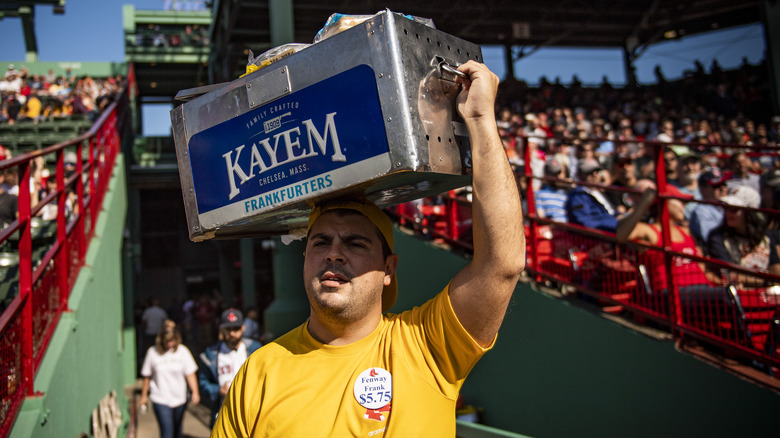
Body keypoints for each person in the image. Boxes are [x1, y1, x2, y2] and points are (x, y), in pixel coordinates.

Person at [211, 61, 526, 436]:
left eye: (355, 242)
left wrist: (480, 119)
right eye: (320, 242)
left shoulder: (425, 344)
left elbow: (501, 264)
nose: (333, 253)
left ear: (389, 268)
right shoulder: (258, 371)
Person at [706, 185, 780, 287]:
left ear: (749, 213)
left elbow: (776, 271)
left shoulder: (765, 235)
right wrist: (767, 281)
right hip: (740, 294)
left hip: (768, 293)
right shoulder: (717, 237)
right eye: (726, 208)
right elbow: (730, 275)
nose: (728, 213)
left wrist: (771, 280)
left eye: (734, 210)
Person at [198, 308, 261, 426]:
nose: (232, 333)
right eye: (228, 329)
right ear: (222, 329)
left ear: (243, 328)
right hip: (224, 413)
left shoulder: (255, 349)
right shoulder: (211, 354)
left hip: (252, 411)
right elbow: (203, 383)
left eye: (236, 328)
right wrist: (218, 389)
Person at [565, 159, 655, 241]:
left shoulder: (597, 192)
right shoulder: (578, 196)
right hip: (597, 238)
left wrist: (622, 216)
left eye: (597, 171)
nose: (594, 175)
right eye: (589, 172)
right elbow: (585, 222)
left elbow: (610, 212)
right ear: (579, 175)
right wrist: (617, 223)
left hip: (611, 231)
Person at [139, 323, 200, 438]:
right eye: (167, 341)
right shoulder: (153, 352)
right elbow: (147, 376)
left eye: (172, 341)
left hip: (179, 398)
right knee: (167, 431)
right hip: (160, 398)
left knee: (178, 430)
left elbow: (190, 374)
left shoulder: (183, 351)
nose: (170, 344)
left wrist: (195, 392)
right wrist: (143, 396)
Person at [689, 168, 729, 248]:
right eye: (716, 186)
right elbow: (713, 241)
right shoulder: (702, 211)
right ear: (702, 189)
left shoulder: (727, 204)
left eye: (724, 184)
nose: (722, 189)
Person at [534, 157, 569, 222]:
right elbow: (541, 217)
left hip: (568, 228)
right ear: (546, 174)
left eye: (558, 173)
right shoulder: (538, 194)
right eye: (553, 174)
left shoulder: (565, 194)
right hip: (552, 228)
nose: (557, 176)